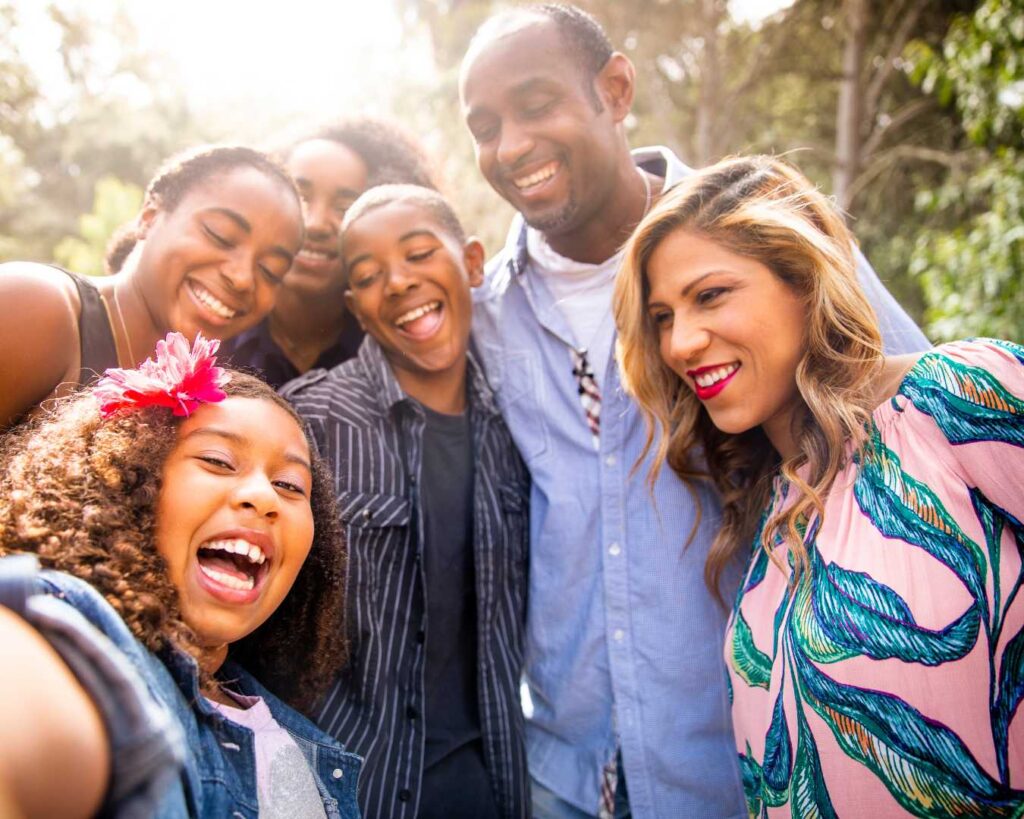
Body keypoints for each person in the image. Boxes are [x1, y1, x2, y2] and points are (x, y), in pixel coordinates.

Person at [458, 4, 932, 816]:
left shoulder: (758, 238)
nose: (510, 145)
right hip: (563, 775)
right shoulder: (485, 314)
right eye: (484, 124)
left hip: (748, 765)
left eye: (536, 105)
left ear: (615, 89)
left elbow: (913, 428)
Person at [613, 154, 1024, 817]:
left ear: (803, 279)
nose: (680, 342)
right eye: (662, 317)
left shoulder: (961, 397)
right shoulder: (773, 501)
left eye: (710, 294)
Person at [0, 333, 360, 817]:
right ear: (125, 481)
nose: (265, 497)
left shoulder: (292, 737)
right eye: (217, 461)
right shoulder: (80, 644)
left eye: (289, 485)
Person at [282, 184, 530, 818]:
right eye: (368, 276)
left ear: (472, 264)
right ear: (356, 309)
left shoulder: (517, 428)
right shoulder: (310, 422)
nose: (397, 282)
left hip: (488, 787)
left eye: (420, 253)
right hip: (343, 790)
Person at [0, 144, 304, 429]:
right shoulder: (32, 306)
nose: (243, 278)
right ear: (150, 216)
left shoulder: (216, 396)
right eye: (220, 235)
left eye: (270, 270)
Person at [222, 118, 437, 388]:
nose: (316, 224)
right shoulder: (214, 329)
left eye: (344, 206)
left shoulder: (397, 349)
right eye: (300, 197)